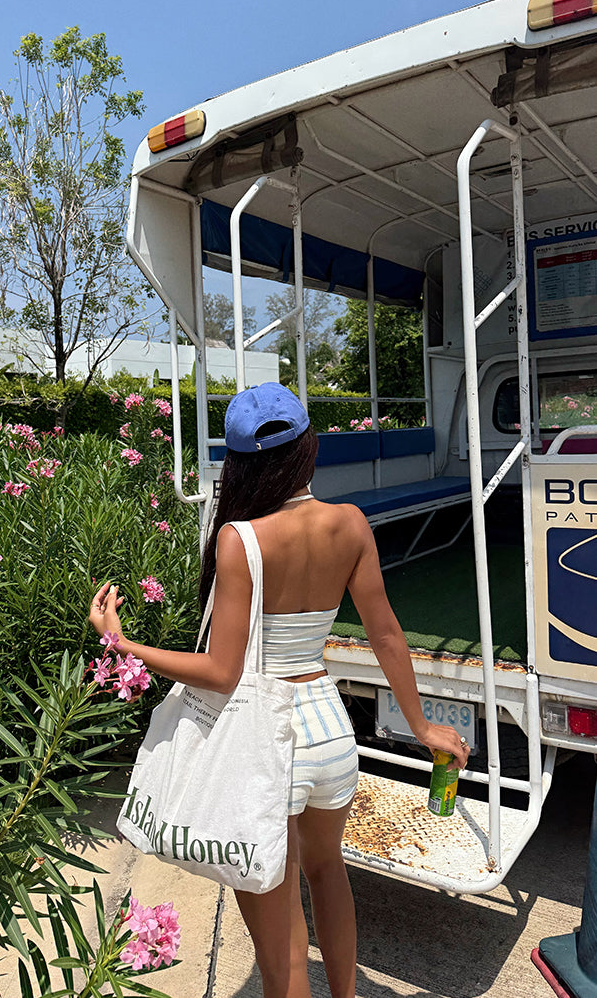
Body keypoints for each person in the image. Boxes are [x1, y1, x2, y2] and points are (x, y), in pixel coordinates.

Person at [89, 383, 471, 998]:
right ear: (307, 449)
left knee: (282, 953)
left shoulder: (240, 540)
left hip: (265, 745)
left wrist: (125, 644)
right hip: (329, 732)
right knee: (328, 873)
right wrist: (422, 726)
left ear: (237, 463)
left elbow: (222, 673)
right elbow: (387, 635)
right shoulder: (349, 523)